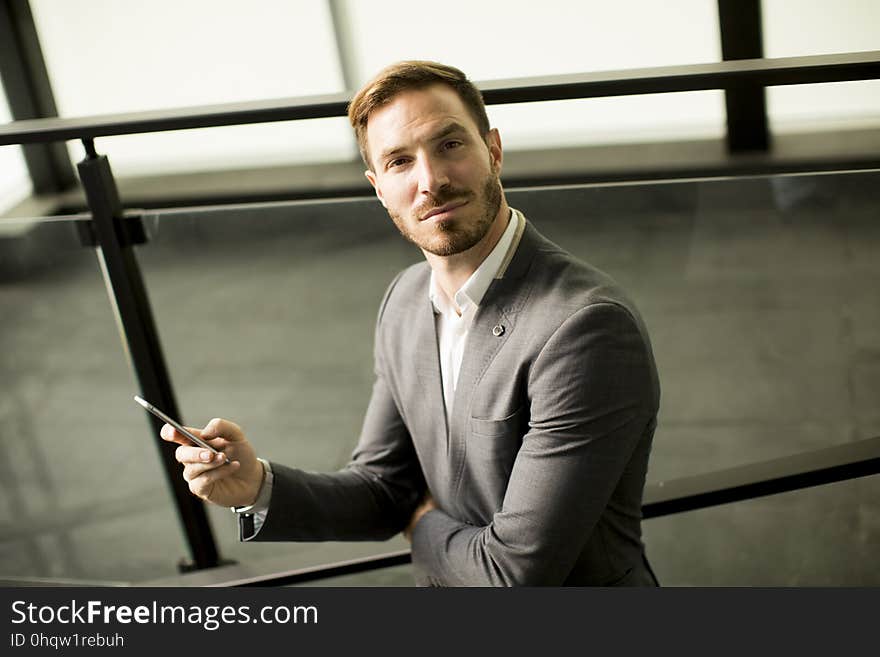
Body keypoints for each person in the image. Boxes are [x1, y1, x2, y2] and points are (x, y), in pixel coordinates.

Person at [161, 61, 661, 586]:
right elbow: (383, 489)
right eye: (400, 162)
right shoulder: (403, 300)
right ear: (379, 188)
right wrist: (256, 486)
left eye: (449, 146)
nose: (431, 182)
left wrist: (420, 524)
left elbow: (515, 573)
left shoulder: (586, 329)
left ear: (493, 150)